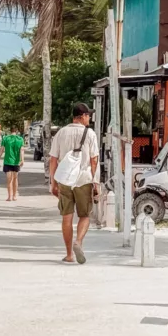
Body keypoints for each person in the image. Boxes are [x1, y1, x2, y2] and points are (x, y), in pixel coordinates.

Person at [49, 103, 99, 265]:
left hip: (65, 180)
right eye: (88, 115)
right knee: (85, 215)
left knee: (67, 217)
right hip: (83, 179)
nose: (89, 118)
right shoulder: (90, 134)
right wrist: (96, 182)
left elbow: (53, 159)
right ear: (83, 116)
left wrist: (53, 182)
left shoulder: (61, 133)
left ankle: (69, 254)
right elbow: (94, 160)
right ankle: (78, 241)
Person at [0, 126, 25, 201]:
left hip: (7, 161)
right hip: (16, 162)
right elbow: (22, 150)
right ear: (17, 131)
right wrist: (22, 160)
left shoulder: (5, 138)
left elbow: (1, 150)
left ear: (10, 131)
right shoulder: (20, 139)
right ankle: (15, 196)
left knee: (9, 179)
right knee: (15, 178)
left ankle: (9, 196)